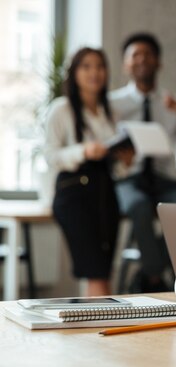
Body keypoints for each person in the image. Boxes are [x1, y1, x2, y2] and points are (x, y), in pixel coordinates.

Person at [109, 32, 176, 292]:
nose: (142, 60)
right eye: (135, 55)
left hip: (163, 178)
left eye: (148, 54)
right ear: (125, 64)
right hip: (129, 178)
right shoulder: (113, 104)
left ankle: (148, 273)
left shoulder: (173, 104)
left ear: (159, 62)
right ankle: (154, 276)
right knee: (139, 206)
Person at [44, 47, 119, 297]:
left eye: (99, 66)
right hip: (74, 194)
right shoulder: (61, 108)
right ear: (74, 72)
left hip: (105, 193)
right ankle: (99, 332)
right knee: (95, 270)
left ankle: (94, 330)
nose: (94, 72)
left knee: (103, 271)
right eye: (86, 66)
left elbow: (114, 160)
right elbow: (51, 155)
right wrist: (83, 151)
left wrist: (124, 157)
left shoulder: (109, 111)